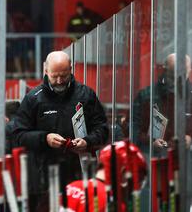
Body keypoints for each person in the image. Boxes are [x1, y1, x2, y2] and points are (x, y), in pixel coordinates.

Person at [10, 51, 108, 211]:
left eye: (64, 75)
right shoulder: (33, 98)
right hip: (44, 178)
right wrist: (44, 138)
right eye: (54, 76)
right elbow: (18, 135)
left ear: (71, 69)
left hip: (80, 174)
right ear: (45, 71)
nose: (59, 81)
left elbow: (102, 129)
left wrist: (87, 141)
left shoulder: (86, 95)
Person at [133, 54, 192, 153]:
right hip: (154, 157)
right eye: (172, 76)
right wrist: (151, 142)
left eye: (181, 76)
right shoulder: (146, 96)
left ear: (189, 72)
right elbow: (132, 127)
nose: (176, 82)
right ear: (165, 71)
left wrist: (190, 138)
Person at [64, 140, 147, 212]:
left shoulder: (71, 187)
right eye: (137, 179)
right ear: (124, 173)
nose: (135, 188)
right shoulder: (113, 205)